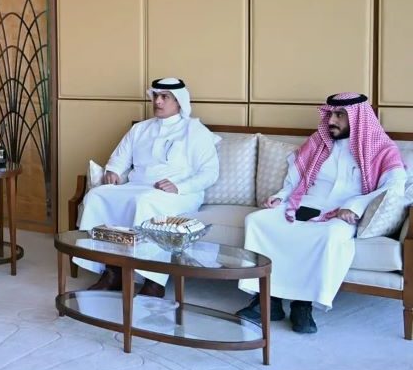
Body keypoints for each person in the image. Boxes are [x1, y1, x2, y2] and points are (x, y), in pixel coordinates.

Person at [236, 93, 406, 334]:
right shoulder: (318, 143)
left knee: (329, 235)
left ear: (358, 118)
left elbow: (394, 187)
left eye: (339, 115)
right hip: (303, 203)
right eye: (330, 114)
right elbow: (295, 179)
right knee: (257, 220)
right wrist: (281, 196)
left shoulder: (381, 148)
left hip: (342, 213)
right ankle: (267, 300)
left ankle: (302, 305)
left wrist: (356, 206)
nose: (331, 121)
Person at [76, 78, 220, 297]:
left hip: (180, 192)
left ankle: (154, 281)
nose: (157, 101)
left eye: (164, 97)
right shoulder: (140, 129)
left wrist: (179, 186)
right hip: (138, 186)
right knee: (97, 195)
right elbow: (119, 158)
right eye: (155, 96)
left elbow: (210, 173)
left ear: (179, 101)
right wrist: (113, 172)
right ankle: (112, 271)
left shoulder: (195, 131)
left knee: (145, 202)